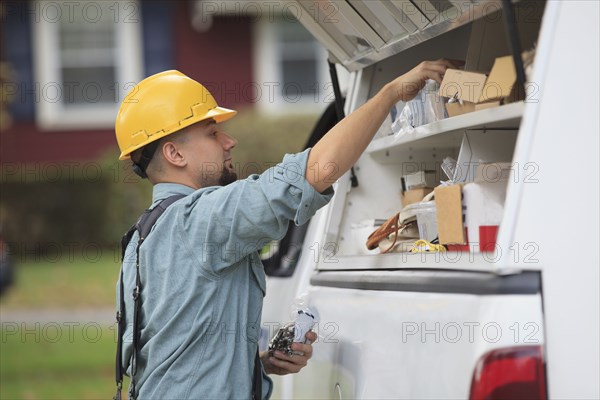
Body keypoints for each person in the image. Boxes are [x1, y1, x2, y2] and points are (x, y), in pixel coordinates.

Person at [114, 59, 460, 399]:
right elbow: (312, 173)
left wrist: (257, 366)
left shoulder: (142, 235)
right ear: (174, 153)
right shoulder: (201, 219)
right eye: (212, 132)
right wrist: (390, 93)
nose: (228, 141)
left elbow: (173, 358)